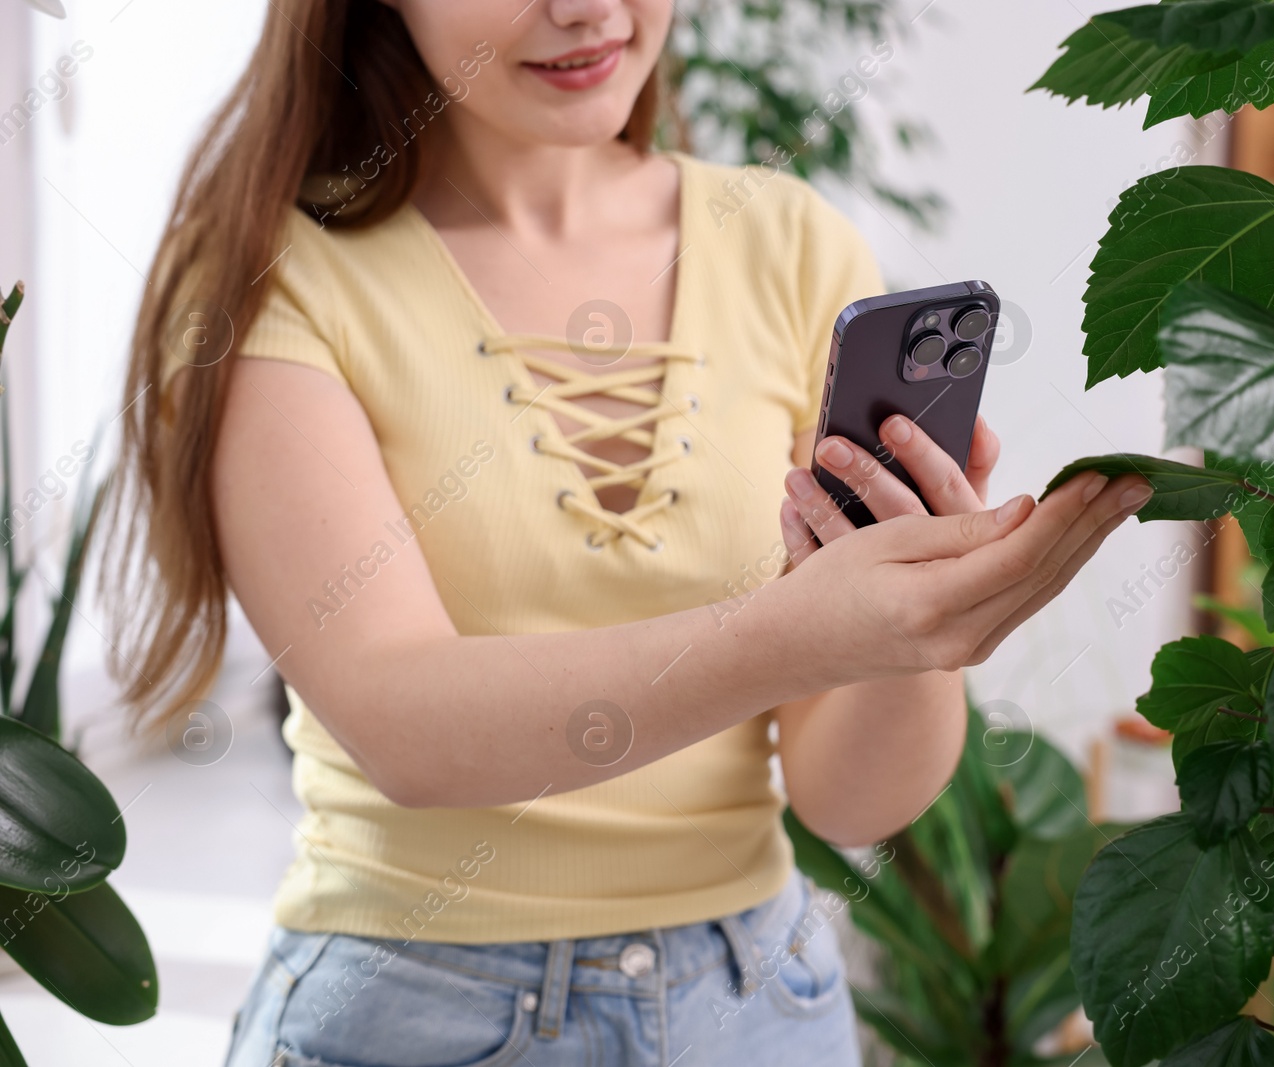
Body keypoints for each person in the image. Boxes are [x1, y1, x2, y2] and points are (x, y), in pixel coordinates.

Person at [104, 1, 1152, 1063]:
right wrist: (799, 627)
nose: (584, 10)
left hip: (757, 1008)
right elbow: (399, 723)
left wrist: (915, 630)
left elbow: (849, 800)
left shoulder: (790, 246)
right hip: (413, 1006)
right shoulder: (275, 276)